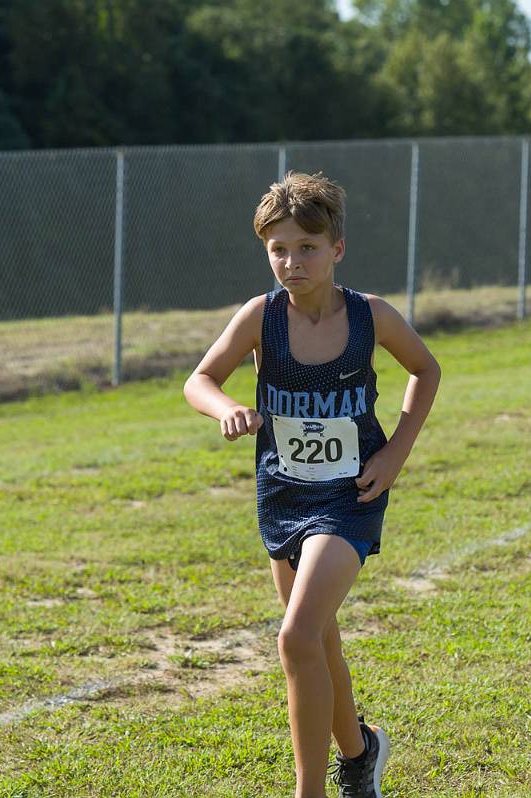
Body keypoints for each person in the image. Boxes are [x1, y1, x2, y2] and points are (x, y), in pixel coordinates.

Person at [183, 170, 441, 798]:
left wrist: (397, 453)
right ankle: (360, 753)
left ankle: (310, 791)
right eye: (278, 249)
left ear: (337, 250)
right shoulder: (259, 318)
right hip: (283, 493)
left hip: (350, 496)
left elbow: (425, 370)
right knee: (318, 642)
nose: (292, 262)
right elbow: (199, 381)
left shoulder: (370, 316)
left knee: (296, 636)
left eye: (307, 248)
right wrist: (228, 410)